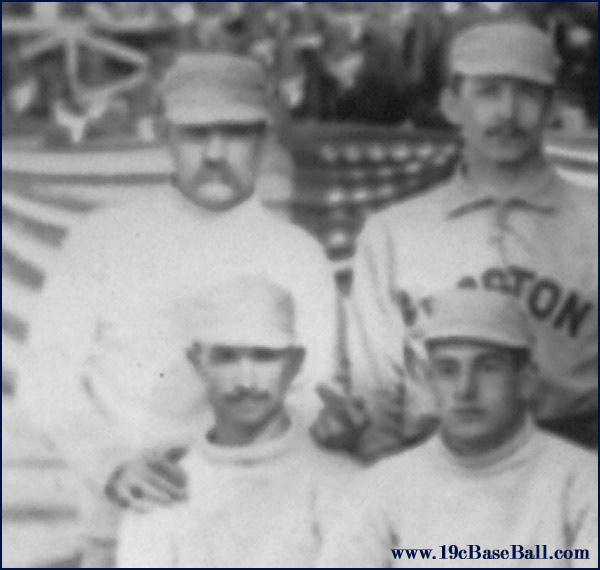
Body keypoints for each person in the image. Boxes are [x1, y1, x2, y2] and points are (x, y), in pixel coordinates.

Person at [21, 53, 337, 567]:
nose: (215, 153)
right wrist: (113, 465)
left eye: (236, 132)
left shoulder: (297, 255)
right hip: (122, 524)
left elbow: (313, 391)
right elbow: (46, 380)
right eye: (196, 133)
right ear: (166, 135)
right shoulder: (103, 239)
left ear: (267, 138)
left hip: (262, 533)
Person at [315, 17, 598, 460]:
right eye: (487, 92)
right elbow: (378, 396)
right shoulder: (395, 232)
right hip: (435, 466)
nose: (506, 112)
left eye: (526, 92)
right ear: (451, 104)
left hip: (577, 462)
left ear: (550, 106)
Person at [318, 289, 598, 568]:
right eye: (448, 370)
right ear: (429, 381)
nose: (465, 390)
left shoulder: (582, 483)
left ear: (525, 380)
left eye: (488, 367)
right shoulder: (380, 488)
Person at [117, 276, 356, 568]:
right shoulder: (164, 489)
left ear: (294, 362)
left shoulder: (338, 480)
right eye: (226, 357)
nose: (246, 381)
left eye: (264, 356)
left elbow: (408, 555)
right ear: (197, 362)